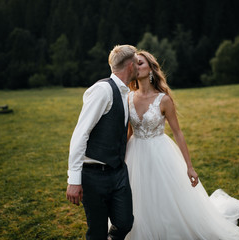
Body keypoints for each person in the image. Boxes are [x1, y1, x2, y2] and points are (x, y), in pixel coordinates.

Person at [124, 50, 239, 240]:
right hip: (134, 153)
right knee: (138, 196)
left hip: (160, 152)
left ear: (151, 68)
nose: (136, 67)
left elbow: (177, 132)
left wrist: (190, 167)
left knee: (164, 196)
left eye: (141, 63)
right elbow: (127, 132)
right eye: (134, 64)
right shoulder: (128, 98)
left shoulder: (164, 100)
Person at [66, 45, 138, 240]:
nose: (139, 66)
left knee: (124, 223)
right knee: (97, 232)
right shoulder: (103, 90)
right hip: (93, 175)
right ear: (130, 66)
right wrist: (74, 179)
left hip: (118, 171)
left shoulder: (125, 93)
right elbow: (80, 134)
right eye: (137, 62)